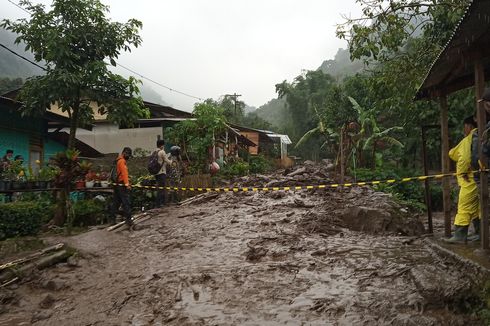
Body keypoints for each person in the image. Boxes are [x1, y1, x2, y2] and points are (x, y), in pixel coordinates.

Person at [444, 116, 479, 243]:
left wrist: (463, 172)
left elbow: (463, 158)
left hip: (469, 180)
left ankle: (459, 235)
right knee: (477, 208)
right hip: (478, 180)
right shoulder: (479, 137)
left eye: (465, 127)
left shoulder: (469, 140)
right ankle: (480, 233)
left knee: (464, 207)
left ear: (468, 126)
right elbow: (453, 153)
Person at [110, 147, 134, 229]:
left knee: (116, 202)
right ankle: (129, 219)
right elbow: (124, 173)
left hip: (116, 184)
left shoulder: (117, 160)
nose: (129, 157)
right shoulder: (121, 161)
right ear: (124, 153)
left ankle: (112, 219)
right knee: (126, 201)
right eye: (128, 155)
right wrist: (127, 184)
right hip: (121, 185)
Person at [155, 140, 172, 208]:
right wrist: (172, 162)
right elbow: (166, 160)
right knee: (162, 188)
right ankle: (161, 203)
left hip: (156, 172)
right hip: (161, 172)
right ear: (162, 145)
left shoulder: (155, 151)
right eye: (163, 145)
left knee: (159, 188)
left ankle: (158, 203)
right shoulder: (162, 152)